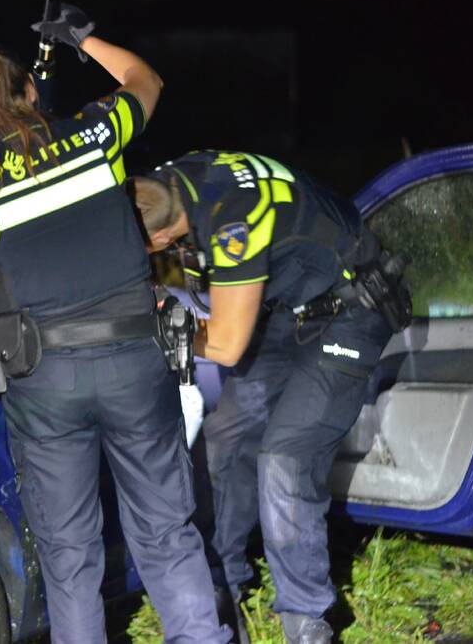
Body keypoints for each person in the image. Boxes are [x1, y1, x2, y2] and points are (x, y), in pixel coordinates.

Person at [0, 8, 233, 644]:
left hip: (47, 385)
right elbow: (145, 80)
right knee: (168, 533)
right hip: (134, 364)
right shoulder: (95, 132)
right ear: (31, 92)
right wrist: (81, 36)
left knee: (71, 561)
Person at [131, 150, 403, 644]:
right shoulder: (175, 181)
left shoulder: (233, 216)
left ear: (161, 238)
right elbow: (195, 266)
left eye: (149, 253)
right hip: (290, 310)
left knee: (285, 456)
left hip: (353, 308)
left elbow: (228, 343)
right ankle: (220, 588)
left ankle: (306, 620)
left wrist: (165, 330)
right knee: (224, 435)